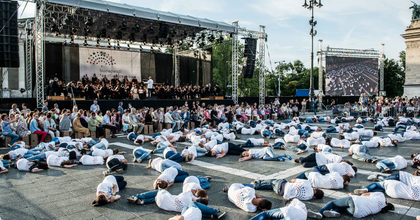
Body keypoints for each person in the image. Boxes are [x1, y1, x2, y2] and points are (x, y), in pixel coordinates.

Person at [307, 192, 394, 219]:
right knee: (340, 206)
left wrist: (351, 195)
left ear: (387, 202)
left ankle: (319, 214)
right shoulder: (379, 210)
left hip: (356, 201)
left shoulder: (381, 196)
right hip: (357, 214)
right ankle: (334, 212)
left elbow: (364, 195)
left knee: (333, 203)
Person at [252, 178, 324, 201]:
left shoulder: (307, 183)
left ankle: (259, 182)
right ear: (314, 197)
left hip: (282, 184)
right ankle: (256, 186)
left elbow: (293, 180)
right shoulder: (308, 198)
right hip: (281, 193)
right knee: (272, 187)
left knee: (273, 181)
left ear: (316, 189)